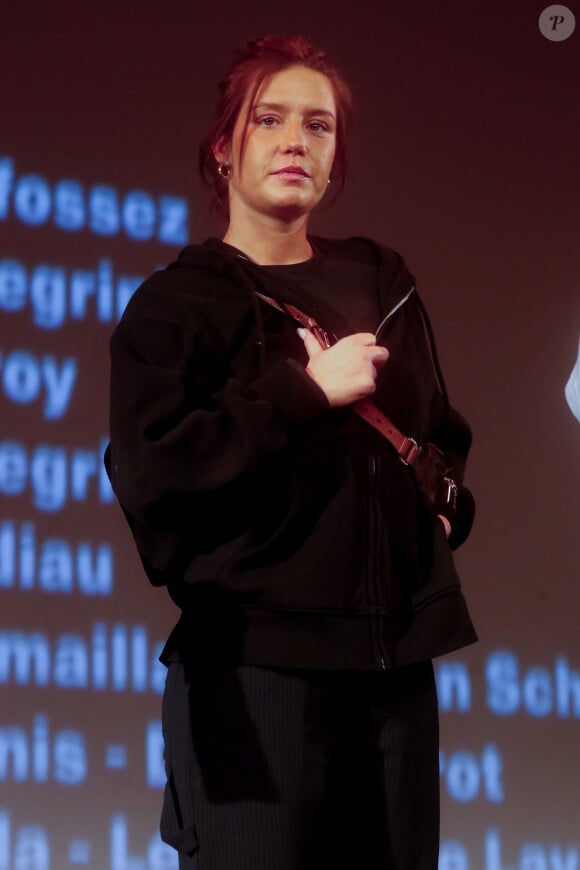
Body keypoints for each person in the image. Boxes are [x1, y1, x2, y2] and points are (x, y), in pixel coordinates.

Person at [106, 35, 477, 870]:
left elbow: (440, 430)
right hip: (254, 673)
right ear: (222, 147)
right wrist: (303, 394)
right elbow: (155, 472)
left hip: (392, 678)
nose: (295, 142)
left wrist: (448, 509)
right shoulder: (179, 303)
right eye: (268, 119)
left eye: (319, 125)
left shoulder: (383, 281)